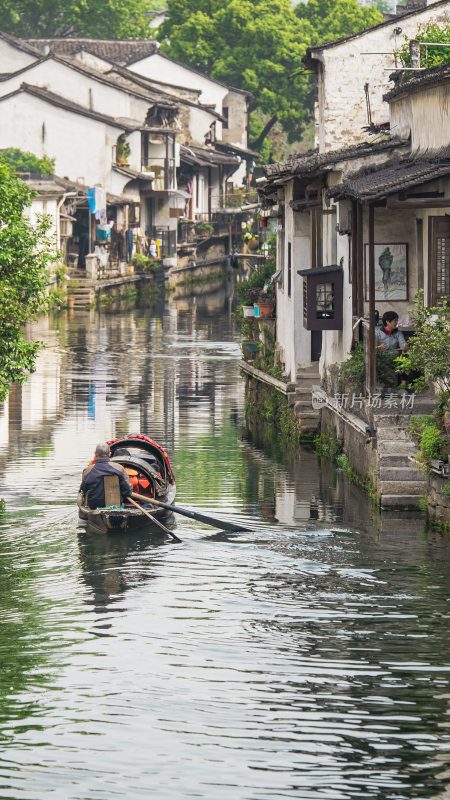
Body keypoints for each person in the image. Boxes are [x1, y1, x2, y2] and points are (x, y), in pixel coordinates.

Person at [80, 443, 133, 509]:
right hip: (115, 506)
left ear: (95, 454)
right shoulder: (119, 468)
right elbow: (127, 491)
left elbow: (83, 491)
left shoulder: (87, 470)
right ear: (110, 454)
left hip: (94, 506)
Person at [375, 310, 409, 391]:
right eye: (395, 321)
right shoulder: (378, 333)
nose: (396, 323)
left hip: (395, 358)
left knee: (406, 357)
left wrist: (404, 346)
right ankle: (389, 387)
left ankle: (403, 383)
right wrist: (379, 347)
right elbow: (371, 347)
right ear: (387, 322)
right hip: (382, 358)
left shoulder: (398, 333)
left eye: (397, 320)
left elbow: (403, 343)